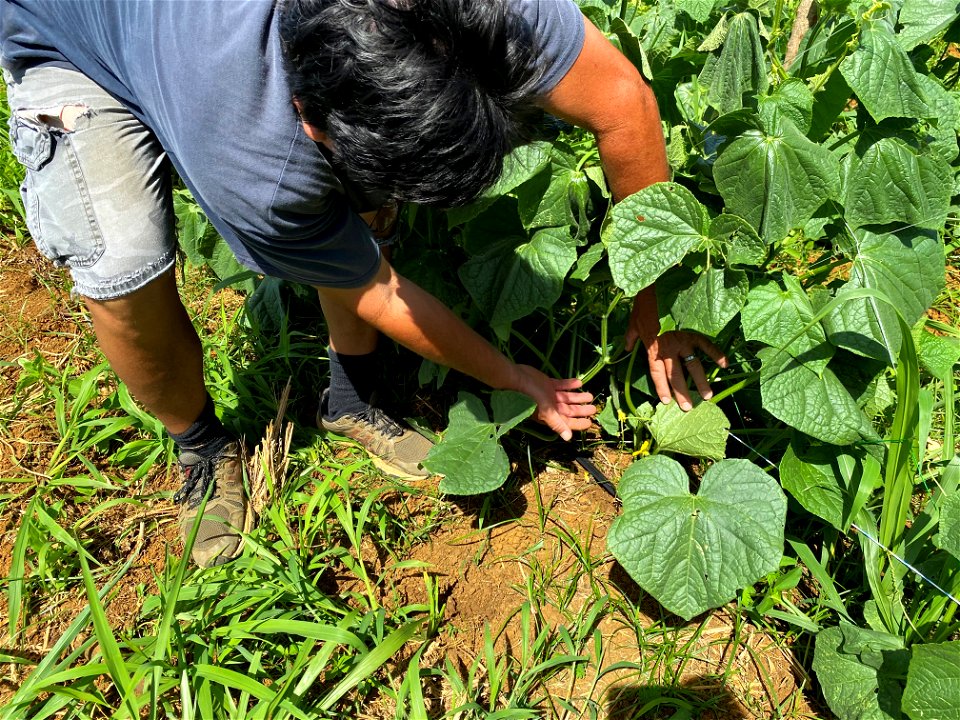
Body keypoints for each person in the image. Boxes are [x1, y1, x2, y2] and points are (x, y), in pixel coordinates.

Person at [1, 0, 726, 568]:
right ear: (308, 125)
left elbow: (622, 101)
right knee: (123, 266)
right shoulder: (257, 166)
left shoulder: (479, 13)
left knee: (374, 189)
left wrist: (651, 312)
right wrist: (512, 374)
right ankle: (200, 445)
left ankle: (347, 399)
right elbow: (375, 288)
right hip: (69, 34)